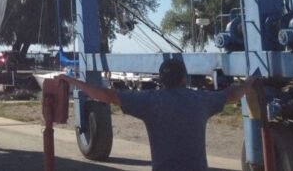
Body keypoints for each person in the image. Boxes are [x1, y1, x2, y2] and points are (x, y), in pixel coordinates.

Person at [58, 59, 253, 171]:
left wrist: (73, 81)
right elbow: (232, 94)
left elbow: (107, 95)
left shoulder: (150, 101)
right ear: (184, 77)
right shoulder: (201, 100)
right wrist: (251, 82)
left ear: (161, 79)